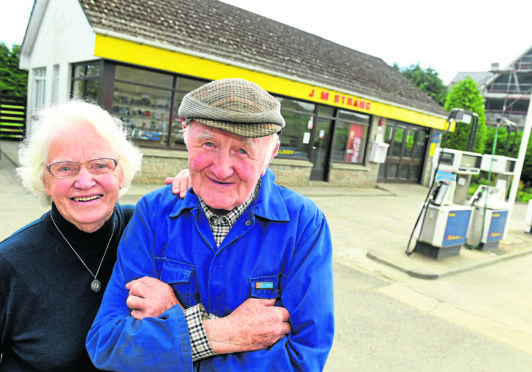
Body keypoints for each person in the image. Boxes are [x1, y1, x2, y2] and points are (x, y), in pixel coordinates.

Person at [0, 100, 276, 371]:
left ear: (122, 174)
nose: (84, 182)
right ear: (44, 180)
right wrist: (222, 332)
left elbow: (243, 181)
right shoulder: (10, 263)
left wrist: (205, 184)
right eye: (65, 168)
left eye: (100, 165)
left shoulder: (148, 226)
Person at [87, 78, 335, 371]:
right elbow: (109, 343)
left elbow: (302, 361)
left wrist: (174, 319)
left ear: (271, 153)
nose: (221, 168)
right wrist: (223, 334)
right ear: (186, 136)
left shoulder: (304, 224)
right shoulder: (153, 214)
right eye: (208, 144)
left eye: (243, 150)